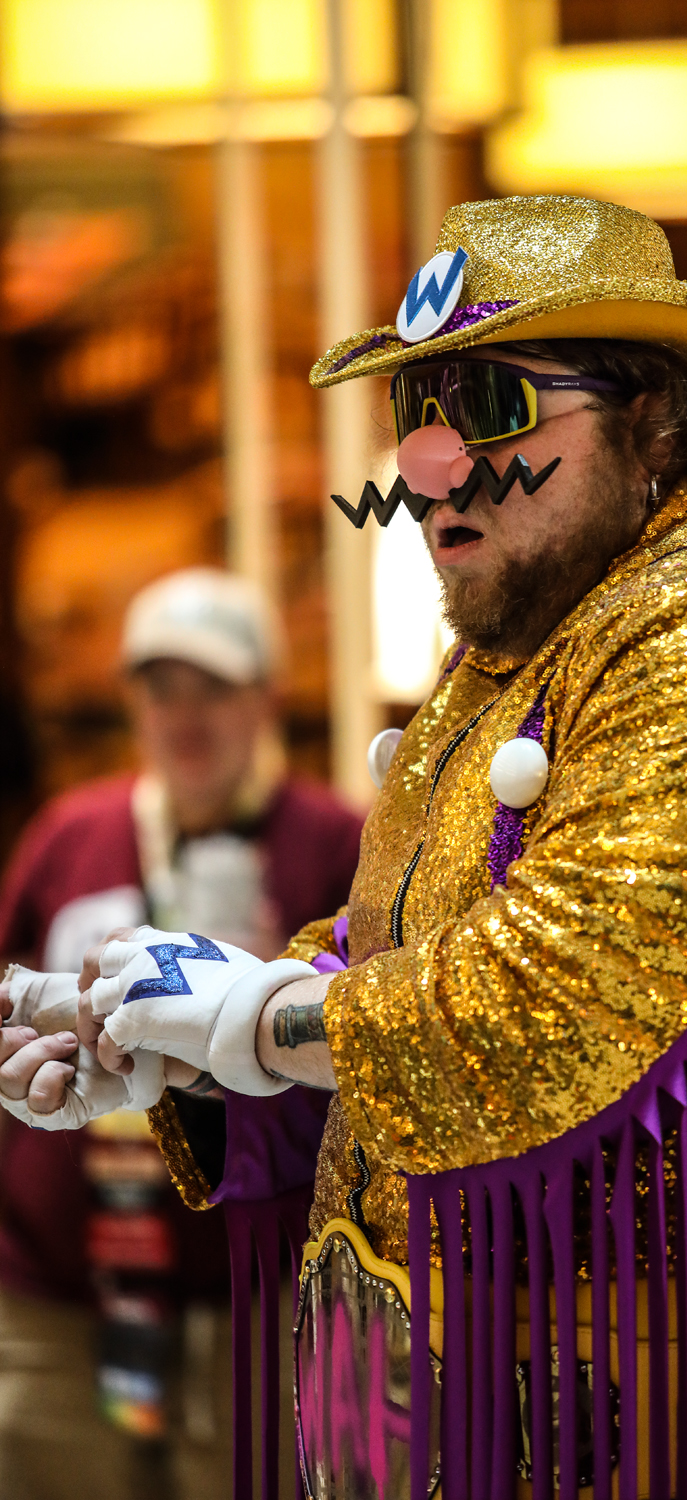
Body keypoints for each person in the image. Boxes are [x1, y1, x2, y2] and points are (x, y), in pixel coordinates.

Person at [5, 196, 687, 1496]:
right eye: (413, 413)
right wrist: (175, 1045)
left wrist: (260, 1021)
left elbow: (564, 992)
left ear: (652, 419)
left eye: (491, 407)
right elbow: (404, 950)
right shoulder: (535, 645)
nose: (426, 466)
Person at [0, 567, 362, 1500]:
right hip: (58, 1301)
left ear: (268, 698)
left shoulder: (337, 844)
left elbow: (375, 1054)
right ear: (132, 701)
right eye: (163, 688)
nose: (187, 715)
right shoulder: (70, 835)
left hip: (261, 1305)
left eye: (216, 688)